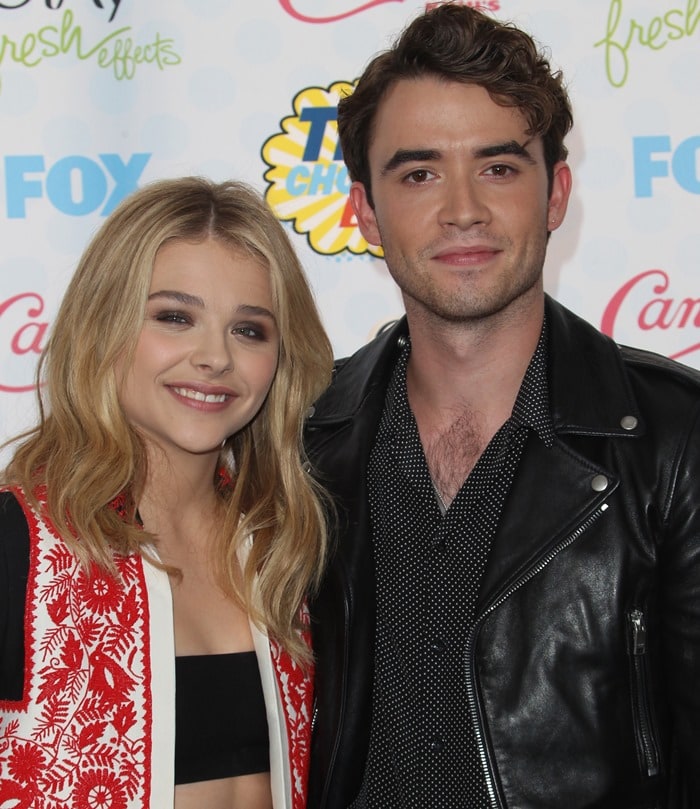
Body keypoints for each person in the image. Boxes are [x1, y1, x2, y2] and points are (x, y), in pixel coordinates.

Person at [303, 4, 700, 808]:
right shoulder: (306, 438)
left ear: (555, 193)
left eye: (498, 167)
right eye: (419, 173)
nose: (462, 210)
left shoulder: (674, 437)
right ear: (365, 212)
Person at [0, 177, 332, 809]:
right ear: (103, 326)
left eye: (250, 330)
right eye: (174, 318)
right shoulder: (20, 543)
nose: (213, 357)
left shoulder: (284, 550)